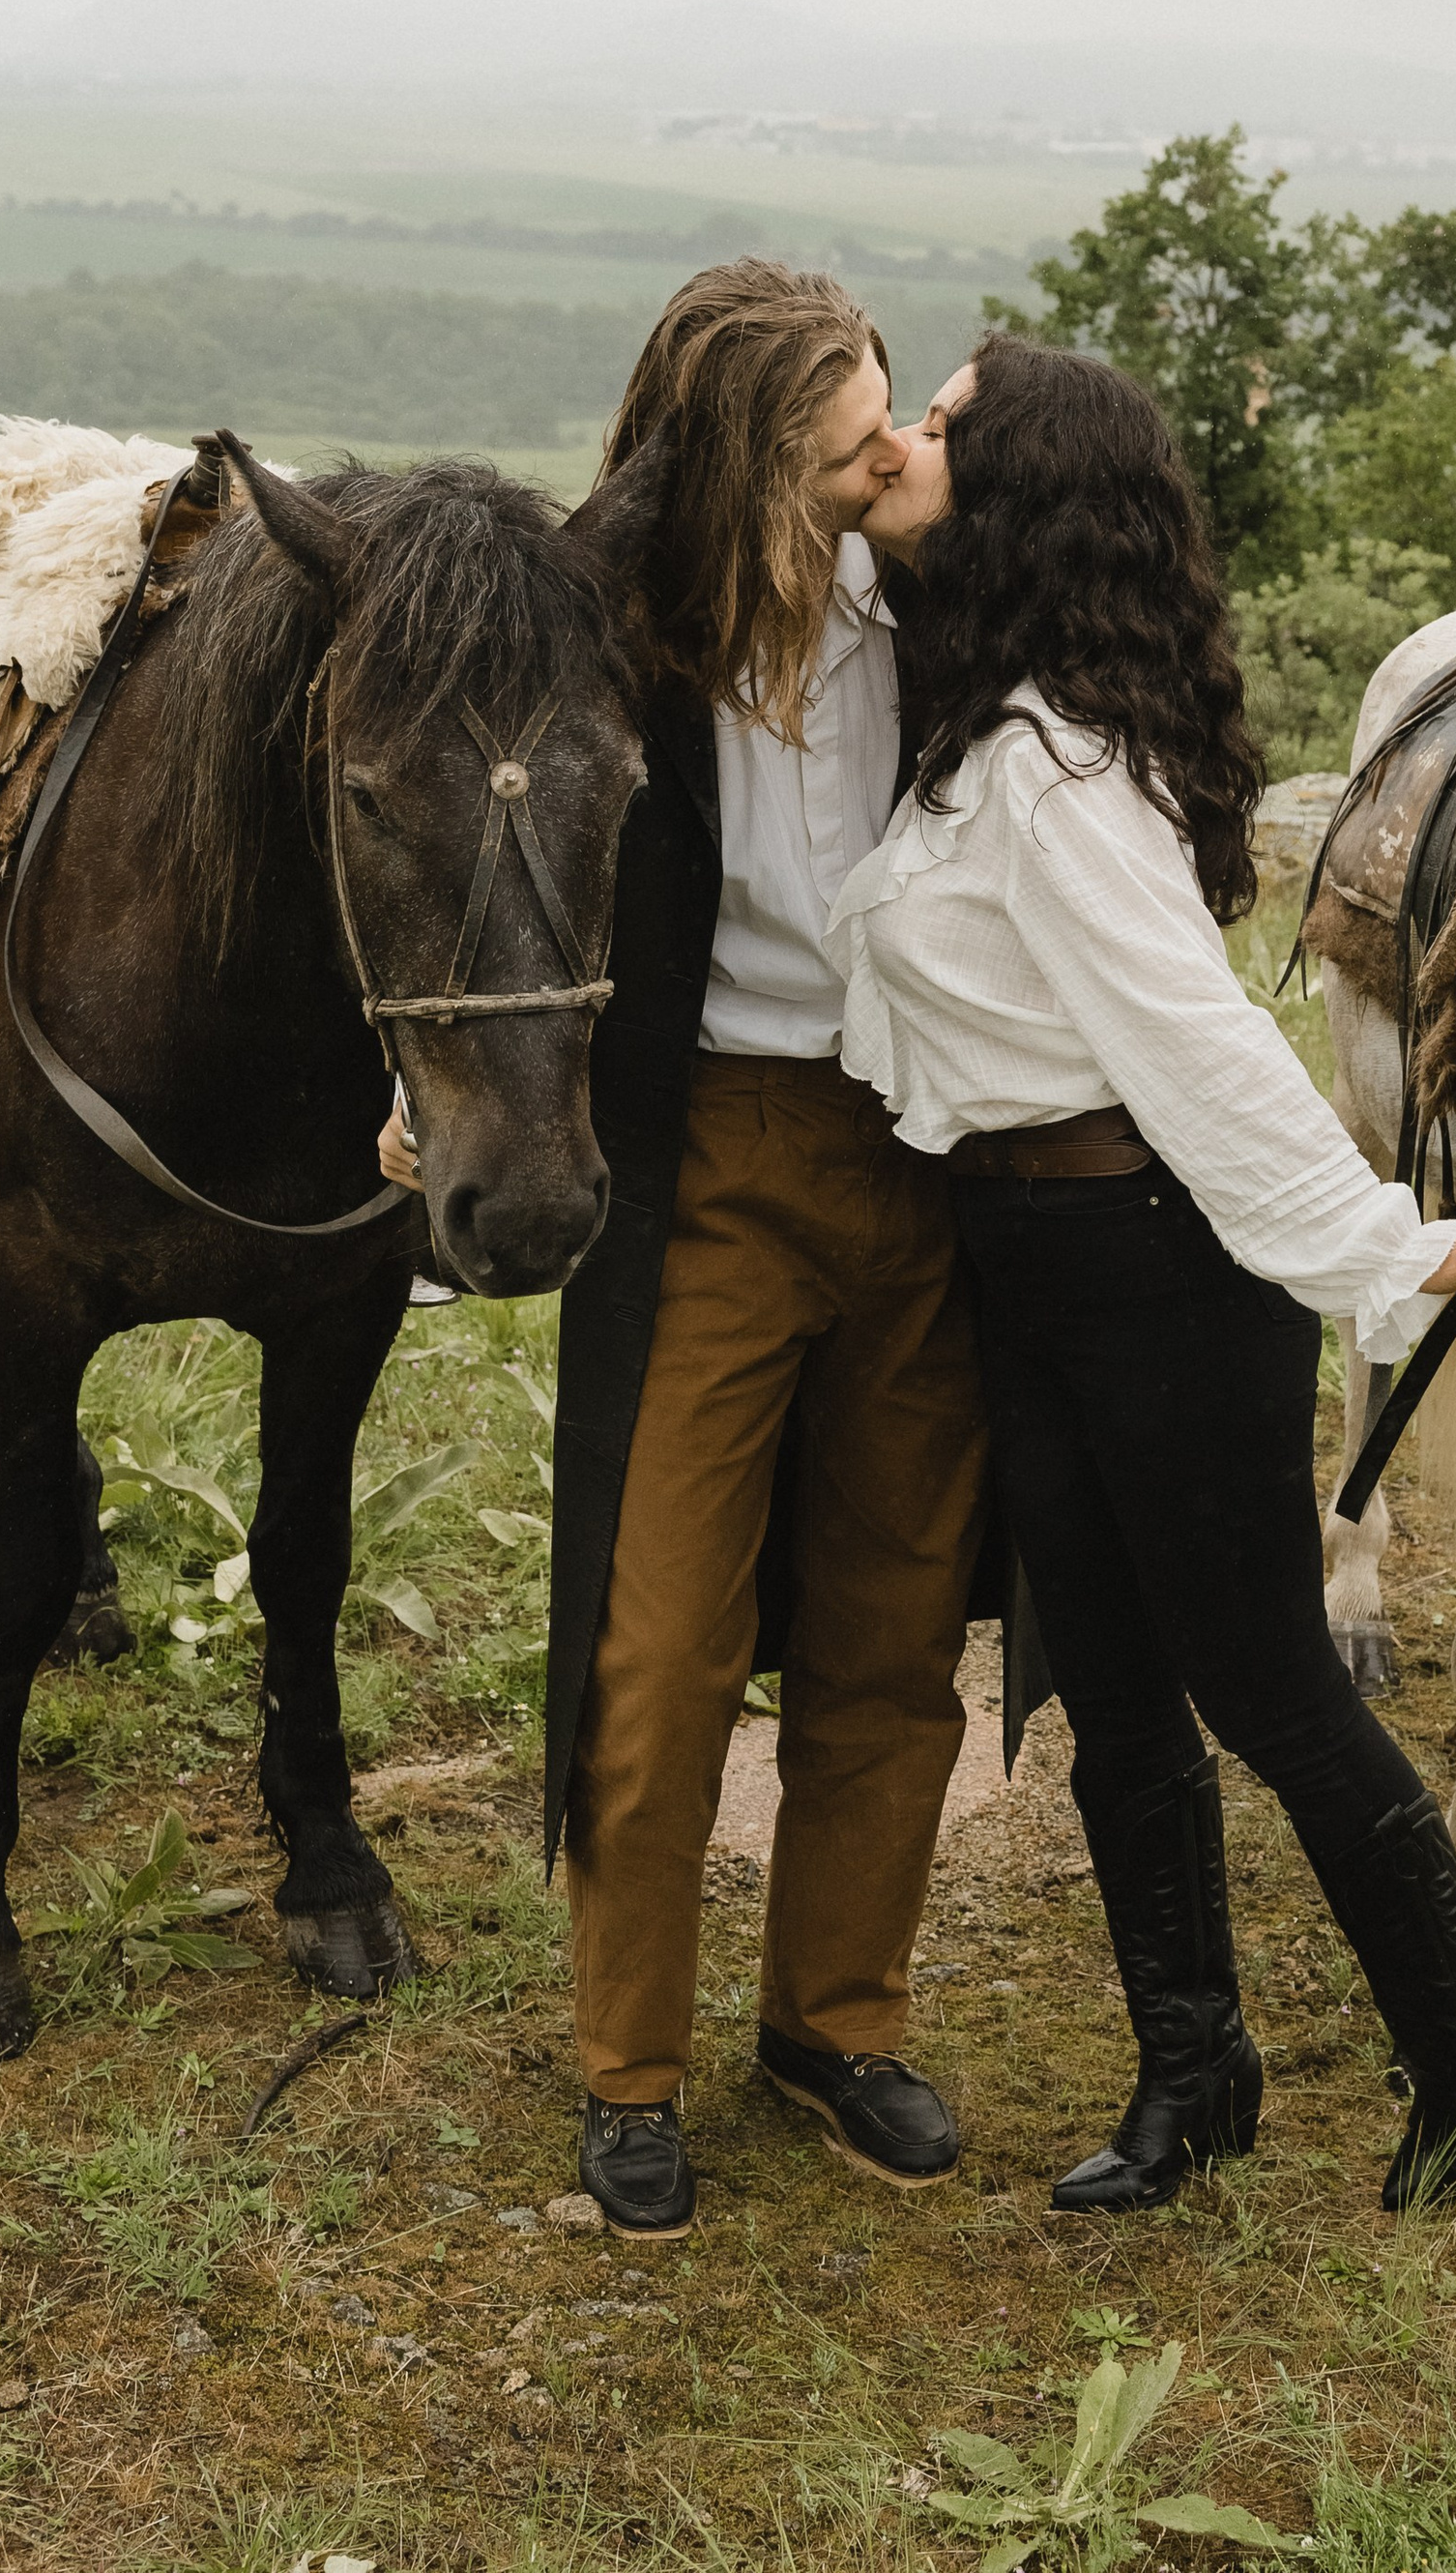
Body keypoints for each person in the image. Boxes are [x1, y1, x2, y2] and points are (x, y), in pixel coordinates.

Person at [825, 334, 1456, 2215]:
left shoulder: (1053, 763)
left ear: (1020, 495)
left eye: (939, 426)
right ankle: (1193, 2077)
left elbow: (1198, 1045)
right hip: (1029, 1255)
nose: (903, 442)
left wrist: (1383, 1255)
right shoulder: (975, 715)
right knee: (1114, 1691)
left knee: (1262, 1685)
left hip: (1152, 1254)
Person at [383, 261, 988, 2238]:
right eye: (839, 451)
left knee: (896, 1633)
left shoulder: (950, 621)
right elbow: (465, 865)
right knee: (656, 1653)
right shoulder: (609, 653)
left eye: (886, 430)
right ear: (731, 468)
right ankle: (627, 2066)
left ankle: (834, 2024)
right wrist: (425, 1096)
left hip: (917, 1156)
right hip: (708, 1159)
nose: (879, 468)